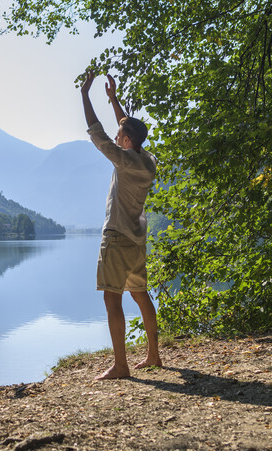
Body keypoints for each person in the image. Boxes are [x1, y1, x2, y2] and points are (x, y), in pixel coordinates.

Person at [80, 70, 163, 380]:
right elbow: (125, 128)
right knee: (141, 295)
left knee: (111, 297)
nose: (116, 138)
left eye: (120, 137)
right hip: (137, 242)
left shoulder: (124, 160)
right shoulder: (148, 160)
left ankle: (121, 365)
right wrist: (113, 99)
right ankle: (154, 355)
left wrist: (85, 97)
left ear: (126, 142)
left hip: (116, 239)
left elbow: (97, 132)